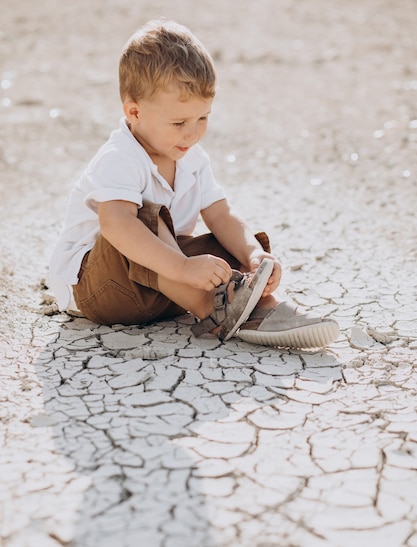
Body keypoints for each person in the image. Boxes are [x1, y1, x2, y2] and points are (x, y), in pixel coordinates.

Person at [48, 19, 339, 349]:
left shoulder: (192, 157)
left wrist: (253, 254)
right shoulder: (120, 156)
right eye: (179, 122)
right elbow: (115, 225)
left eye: (203, 117)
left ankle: (262, 308)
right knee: (145, 218)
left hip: (164, 289)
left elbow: (221, 213)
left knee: (224, 245)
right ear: (134, 112)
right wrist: (183, 268)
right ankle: (213, 310)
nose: (193, 132)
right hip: (102, 289)